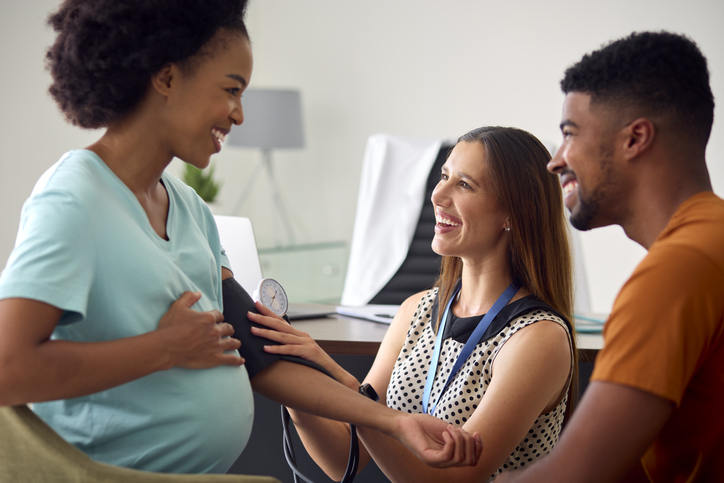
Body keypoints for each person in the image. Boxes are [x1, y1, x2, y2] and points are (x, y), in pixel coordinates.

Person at [0, 0, 482, 474]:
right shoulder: (74, 198)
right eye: (231, 90)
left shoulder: (189, 210)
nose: (239, 115)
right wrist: (162, 348)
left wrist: (396, 423)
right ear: (166, 78)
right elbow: (8, 368)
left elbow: (258, 353)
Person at [250, 126, 579, 482]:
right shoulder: (417, 310)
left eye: (464, 184)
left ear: (515, 212)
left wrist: (345, 387)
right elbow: (343, 457)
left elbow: (452, 480)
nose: (438, 194)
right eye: (443, 177)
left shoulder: (538, 337)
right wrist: (297, 386)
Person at [495, 31, 723, 482]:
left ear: (635, 138)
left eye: (570, 134)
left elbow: (575, 475)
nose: (555, 161)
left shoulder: (675, 271)